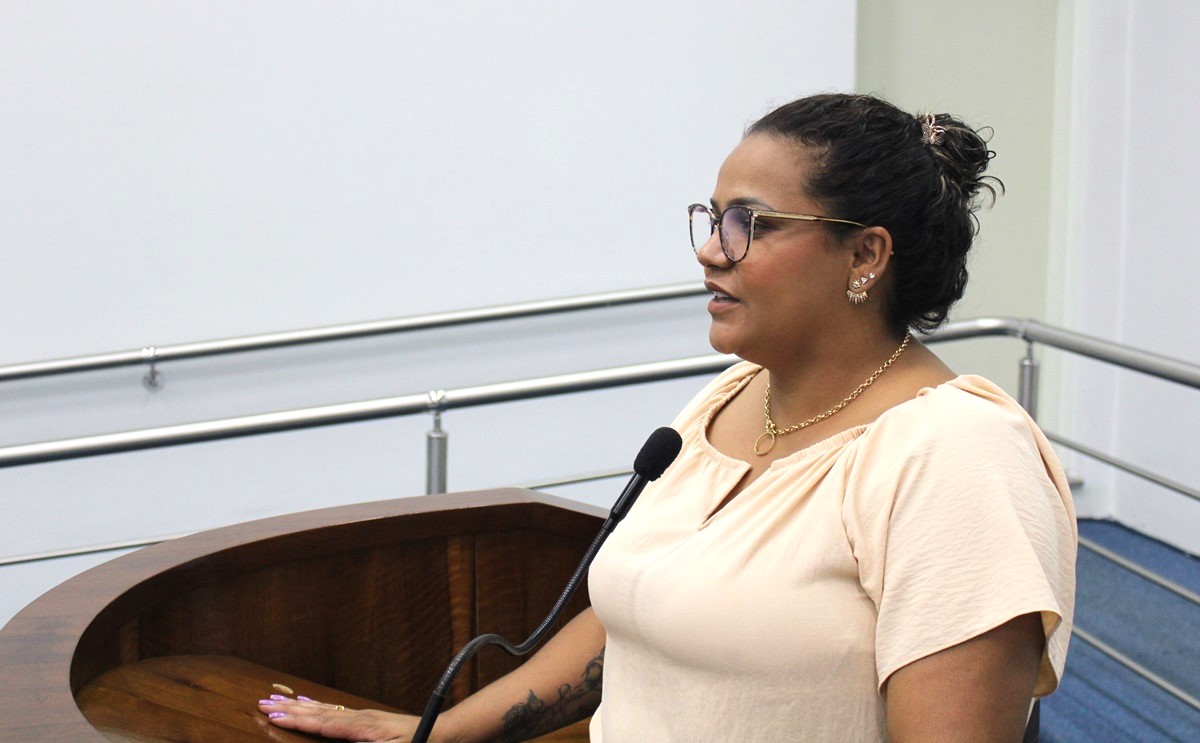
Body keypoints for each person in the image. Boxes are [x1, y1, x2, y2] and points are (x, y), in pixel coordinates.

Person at [257, 93, 1077, 742]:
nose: (710, 250)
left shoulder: (955, 455)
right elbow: (641, 617)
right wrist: (433, 731)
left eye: (751, 224)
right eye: (712, 217)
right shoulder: (731, 395)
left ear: (865, 255)